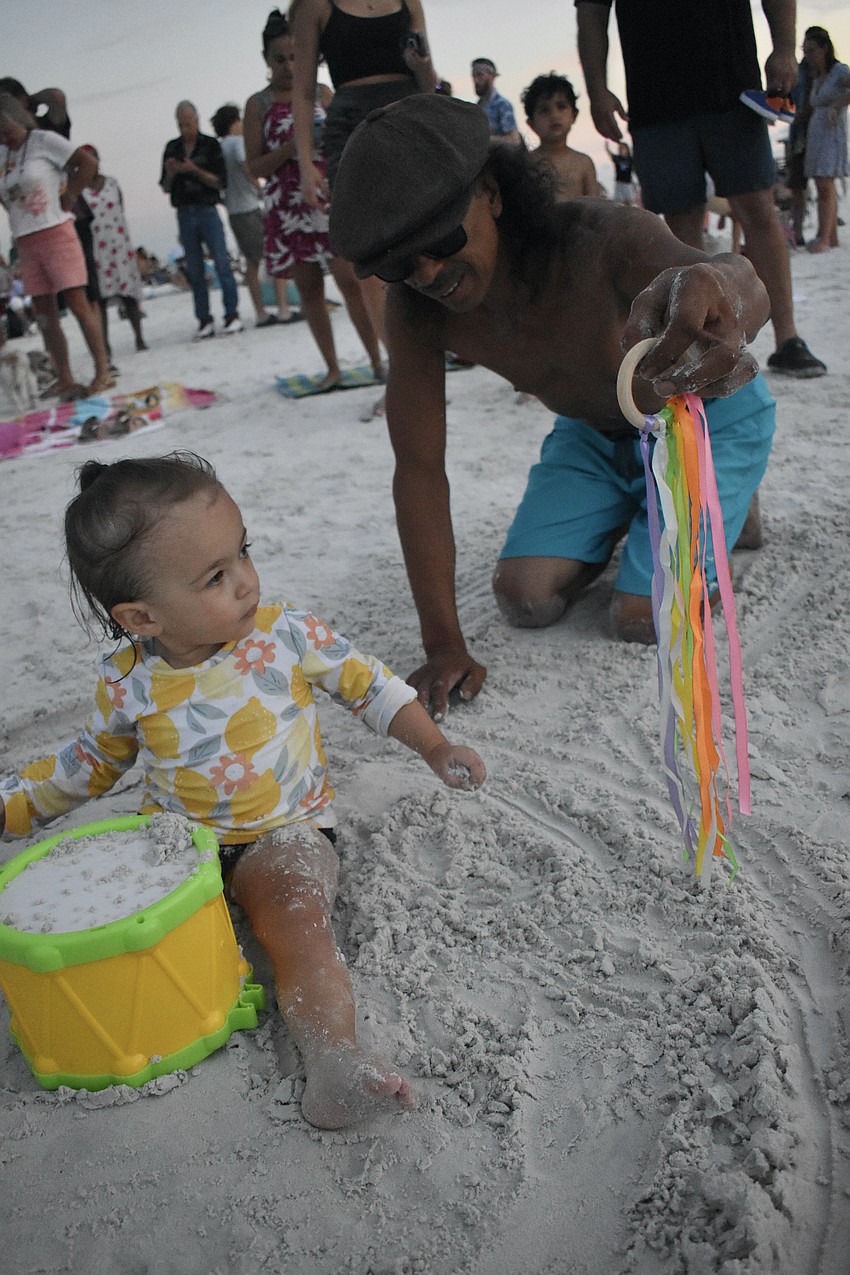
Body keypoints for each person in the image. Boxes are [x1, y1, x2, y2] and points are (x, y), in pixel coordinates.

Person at [0, 451, 486, 1127]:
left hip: (280, 833)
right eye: (216, 575)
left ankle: (333, 1059)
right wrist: (12, 805)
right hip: (178, 845)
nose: (247, 581)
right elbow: (92, 763)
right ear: (142, 618)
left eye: (244, 552)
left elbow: (369, 685)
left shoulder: (284, 634)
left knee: (297, 924)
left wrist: (435, 744)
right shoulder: (127, 678)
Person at [328, 94, 776, 717]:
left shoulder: (599, 237)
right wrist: (443, 644)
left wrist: (719, 286)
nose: (428, 271)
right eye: (399, 263)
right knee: (524, 596)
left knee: (640, 616)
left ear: (491, 191)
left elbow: (741, 282)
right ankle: (654, 503)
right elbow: (419, 470)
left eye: (438, 238)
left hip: (701, 418)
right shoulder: (418, 312)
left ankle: (722, 490)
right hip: (594, 433)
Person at [576, 0, 827, 381]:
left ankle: (787, 338)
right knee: (680, 221)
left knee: (758, 208)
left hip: (732, 85)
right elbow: (592, 10)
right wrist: (596, 90)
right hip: (655, 95)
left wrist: (784, 47)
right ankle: (700, 344)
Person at [290, 0, 438, 357]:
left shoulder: (408, 2)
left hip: (408, 112)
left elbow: (429, 81)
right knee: (369, 249)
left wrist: (423, 64)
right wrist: (307, 164)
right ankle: (399, 359)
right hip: (351, 125)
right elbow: (304, 90)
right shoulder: (315, 7)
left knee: (430, 232)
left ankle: (435, 338)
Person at [244, 10, 383, 388]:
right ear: (266, 60)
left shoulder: (322, 93)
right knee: (309, 289)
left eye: (294, 56)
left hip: (328, 198)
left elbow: (349, 139)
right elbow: (252, 166)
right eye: (279, 59)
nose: (289, 65)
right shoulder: (257, 105)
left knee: (350, 281)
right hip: (286, 207)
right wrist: (294, 147)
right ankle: (333, 367)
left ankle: (376, 360)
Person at [0, 93, 112, 398]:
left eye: (7, 131)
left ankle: (102, 370)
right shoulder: (2, 154)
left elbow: (86, 163)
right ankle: (65, 376)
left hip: (56, 231)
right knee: (45, 314)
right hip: (26, 239)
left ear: (19, 120)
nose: (5, 138)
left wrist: (71, 194)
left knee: (77, 302)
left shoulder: (43, 141)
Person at [159, 101, 242, 339]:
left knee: (222, 263)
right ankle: (204, 319)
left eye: (188, 123)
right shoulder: (172, 148)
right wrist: (173, 173)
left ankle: (231, 315)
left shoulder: (210, 145)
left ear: (197, 119)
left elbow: (220, 182)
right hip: (184, 211)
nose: (185, 128)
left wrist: (194, 170)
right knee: (194, 269)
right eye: (181, 124)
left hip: (207, 209)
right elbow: (165, 186)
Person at [209, 103, 291, 326]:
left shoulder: (219, 147)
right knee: (272, 255)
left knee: (252, 263)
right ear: (234, 123)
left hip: (234, 210)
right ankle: (282, 309)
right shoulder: (236, 143)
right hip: (248, 207)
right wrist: (261, 187)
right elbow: (248, 167)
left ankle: (261, 311)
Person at [81, 145, 148, 356]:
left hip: (118, 245)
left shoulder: (111, 183)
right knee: (99, 299)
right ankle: (105, 345)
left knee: (128, 294)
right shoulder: (79, 189)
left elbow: (121, 207)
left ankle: (139, 337)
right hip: (96, 248)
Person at [801, 26, 850, 253]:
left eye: (811, 50)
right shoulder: (817, 76)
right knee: (822, 184)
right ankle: (831, 237)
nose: (808, 56)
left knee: (825, 184)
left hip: (832, 132)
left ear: (824, 49)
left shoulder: (839, 71)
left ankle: (823, 236)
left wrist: (836, 105)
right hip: (817, 133)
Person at [522, 73, 600, 200]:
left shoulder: (583, 163)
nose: (554, 115)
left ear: (574, 115)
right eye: (544, 110)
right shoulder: (526, 164)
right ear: (531, 124)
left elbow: (596, 209)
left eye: (561, 106)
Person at [471, 58, 520, 143]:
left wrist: (485, 140)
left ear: (492, 76)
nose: (475, 80)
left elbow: (514, 140)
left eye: (480, 75)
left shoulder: (502, 105)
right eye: (473, 76)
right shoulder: (476, 108)